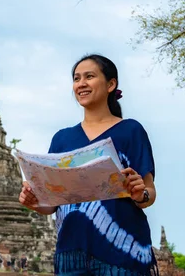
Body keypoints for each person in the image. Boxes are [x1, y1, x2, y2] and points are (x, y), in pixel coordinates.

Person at [19, 54, 159, 276]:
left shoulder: (131, 131)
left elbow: (149, 194)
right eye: (76, 78)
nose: (81, 84)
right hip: (71, 252)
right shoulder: (62, 139)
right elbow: (52, 204)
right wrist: (34, 202)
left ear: (111, 84)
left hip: (122, 252)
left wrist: (140, 193)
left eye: (89, 77)